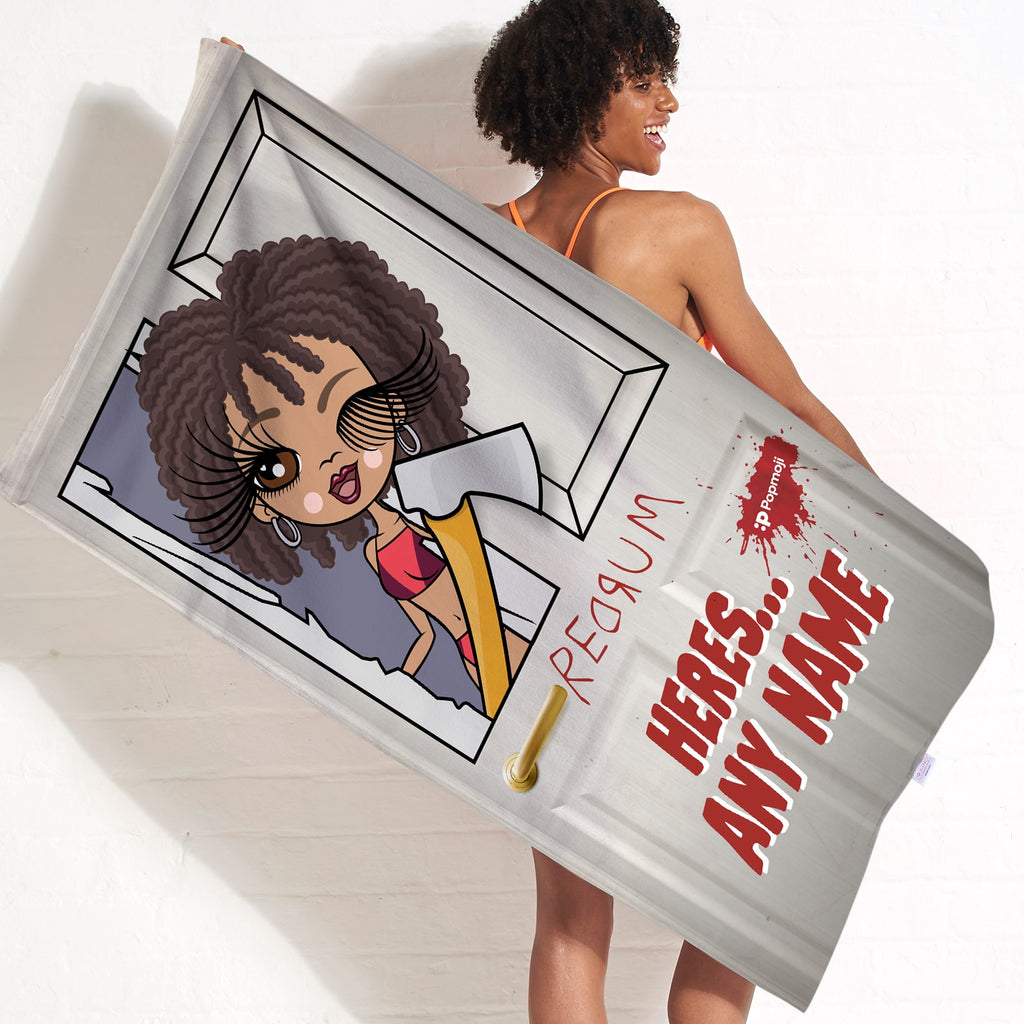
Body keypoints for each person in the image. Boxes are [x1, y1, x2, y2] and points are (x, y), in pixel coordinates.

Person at [474, 1, 873, 1021]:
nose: (668, 103)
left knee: (570, 915)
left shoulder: (475, 240)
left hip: (547, 615)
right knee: (733, 892)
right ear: (581, 95)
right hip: (687, 592)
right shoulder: (675, 226)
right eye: (643, 80)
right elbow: (789, 408)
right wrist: (894, 546)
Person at [137, 234, 526, 691]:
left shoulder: (433, 514)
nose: (331, 460)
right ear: (261, 506)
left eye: (350, 408)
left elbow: (481, 576)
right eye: (276, 467)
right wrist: (393, 686)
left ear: (392, 400)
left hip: (504, 638)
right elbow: (425, 633)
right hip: (473, 660)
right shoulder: (377, 554)